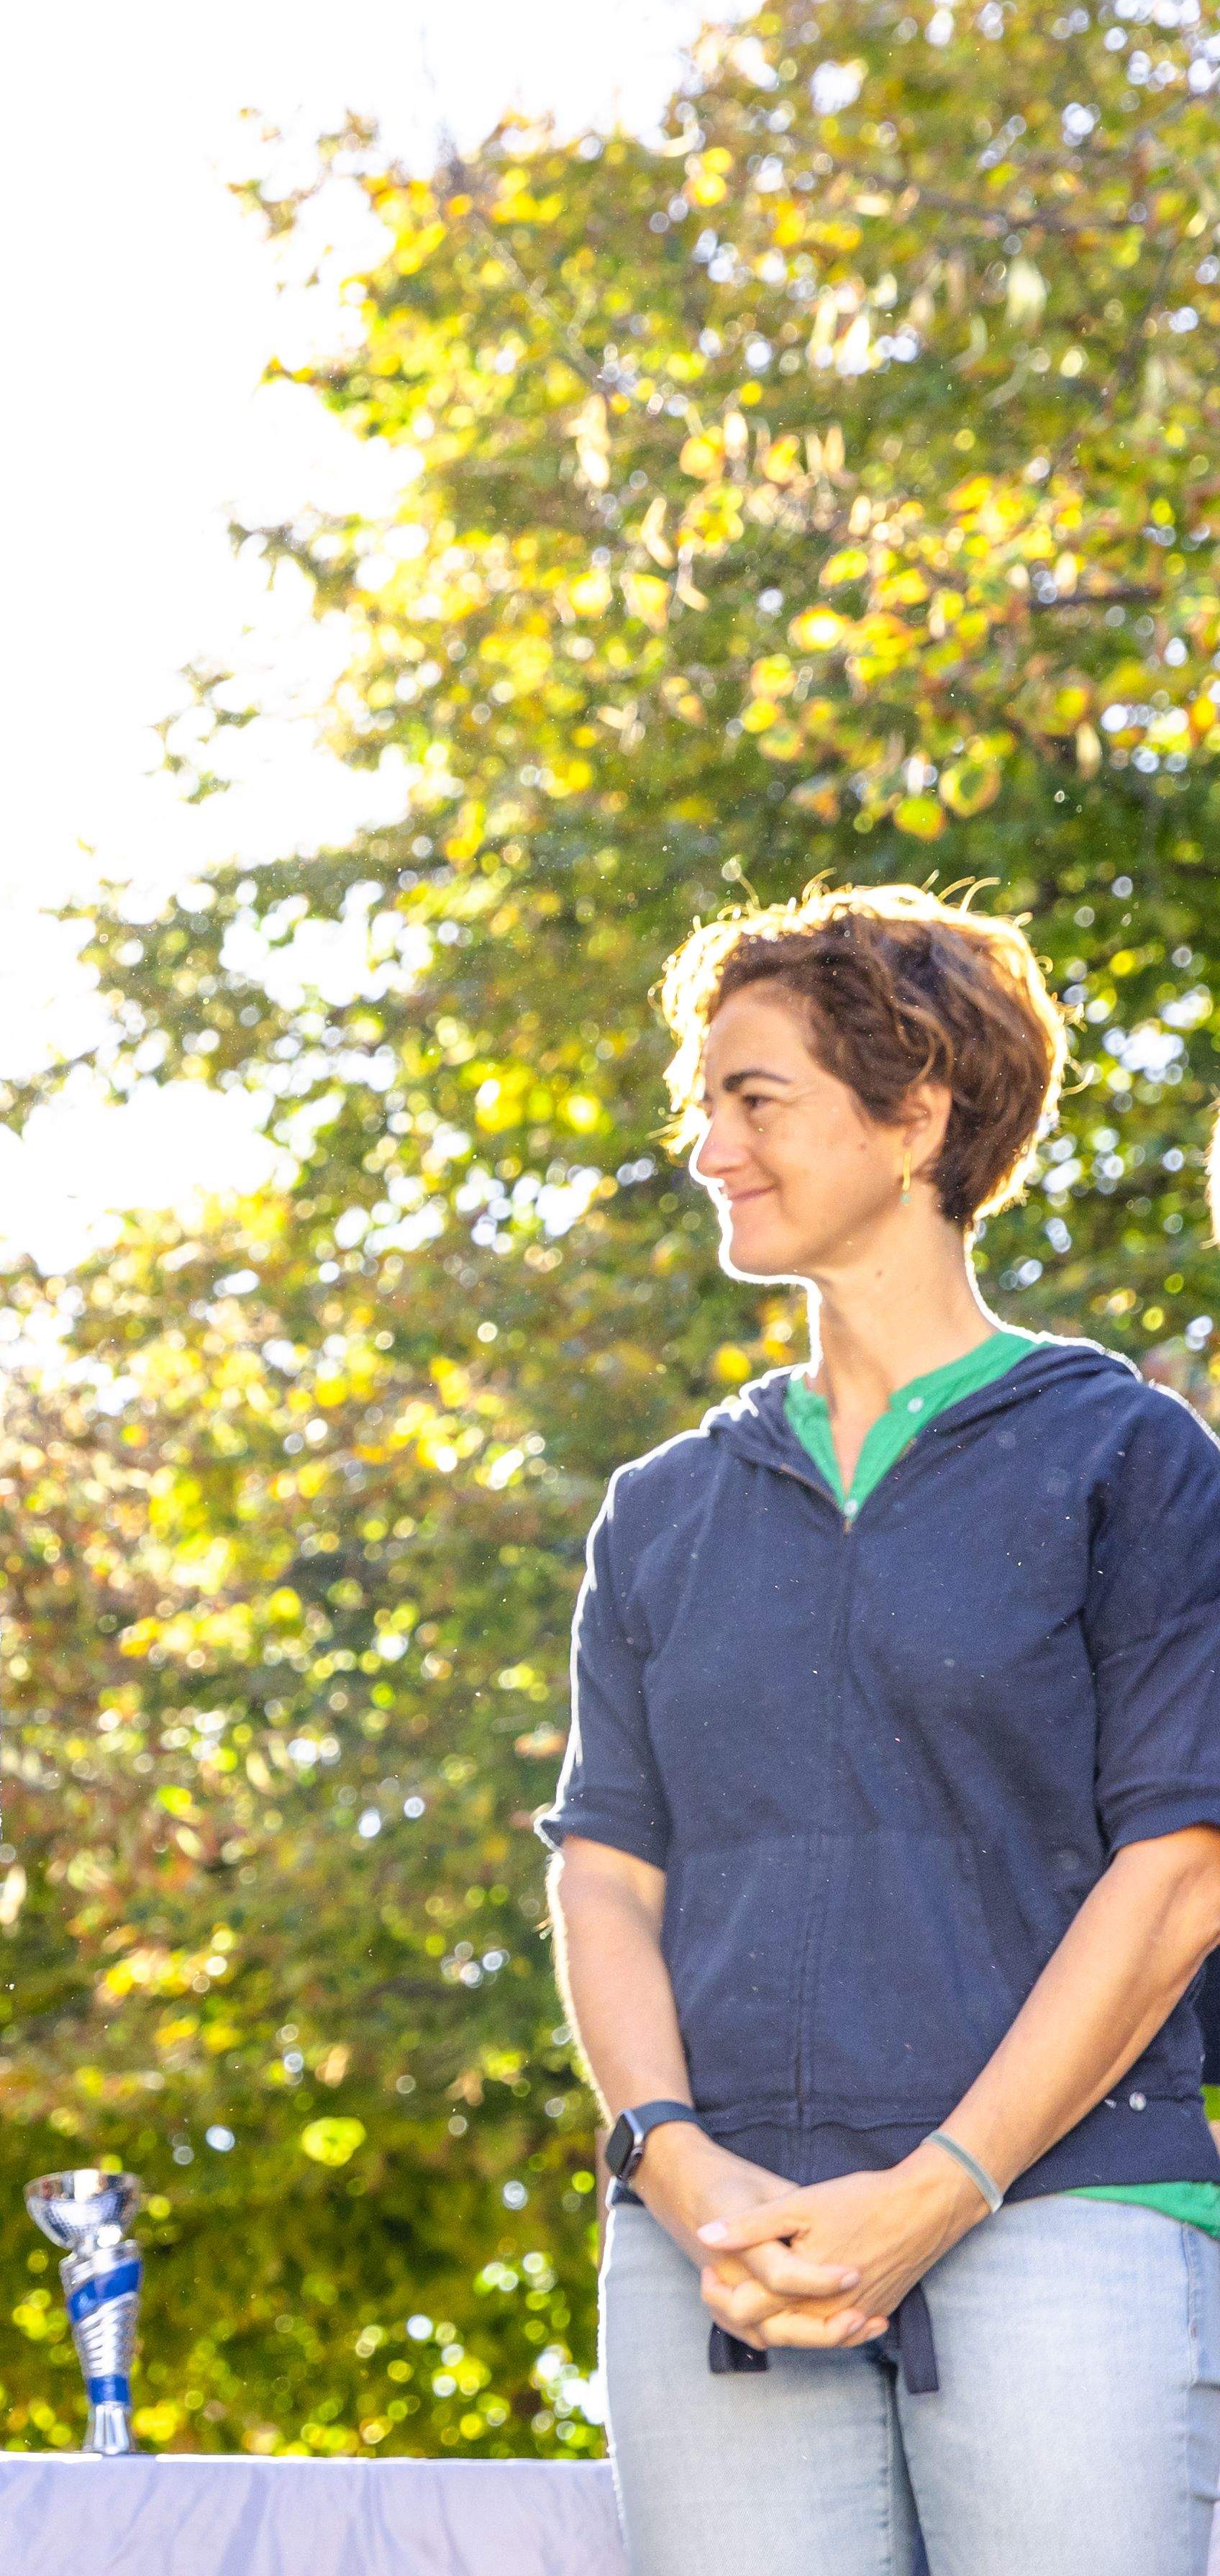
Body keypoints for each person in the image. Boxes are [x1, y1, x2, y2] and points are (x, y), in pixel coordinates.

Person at [546, 886, 1220, 2576]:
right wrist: (675, 2166)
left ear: (915, 1113)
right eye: (703, 1101)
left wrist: (939, 2188)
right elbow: (605, 1876)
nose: (709, 1146)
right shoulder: (662, 1510)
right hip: (723, 2252)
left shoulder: (1129, 1461)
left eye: (753, 1097)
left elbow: (1183, 1869)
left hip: (1062, 2215)